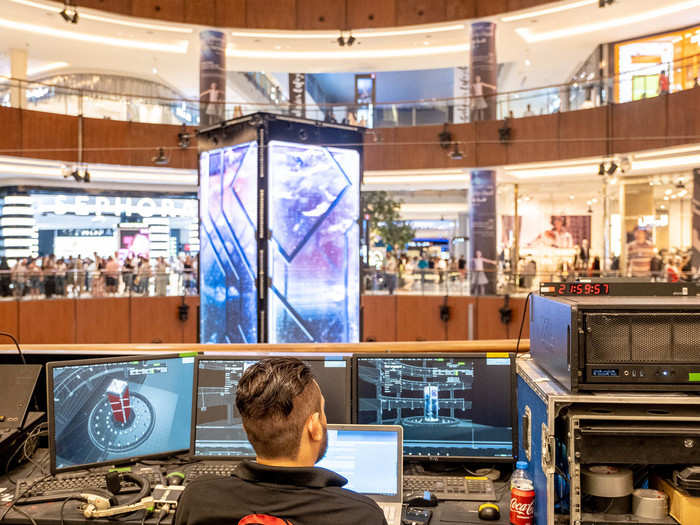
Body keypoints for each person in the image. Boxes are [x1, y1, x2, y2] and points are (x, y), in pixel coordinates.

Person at [175, 357, 387, 525]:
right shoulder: (361, 515)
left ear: (246, 429)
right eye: (322, 412)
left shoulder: (197, 499)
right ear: (314, 427)